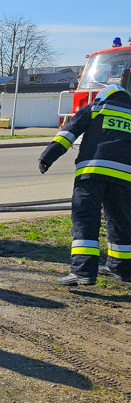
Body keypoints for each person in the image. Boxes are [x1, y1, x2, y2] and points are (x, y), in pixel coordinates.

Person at [38, 83, 131, 286]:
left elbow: (68, 134)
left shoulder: (96, 108)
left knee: (85, 220)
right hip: (124, 178)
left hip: (92, 172)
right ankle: (121, 268)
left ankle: (82, 271)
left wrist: (47, 158)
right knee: (120, 221)